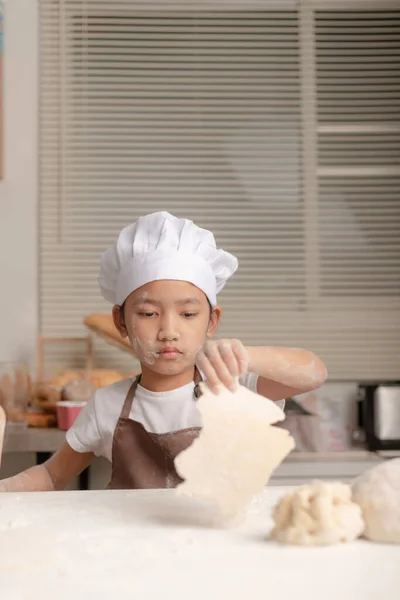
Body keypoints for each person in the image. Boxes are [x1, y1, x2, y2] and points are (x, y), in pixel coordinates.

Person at [0, 212, 327, 492]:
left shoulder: (235, 387)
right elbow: (50, 475)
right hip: (136, 554)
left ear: (212, 321)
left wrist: (246, 356)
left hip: (222, 553)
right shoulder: (108, 406)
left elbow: (312, 372)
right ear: (121, 322)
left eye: (188, 314)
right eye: (148, 313)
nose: (169, 331)